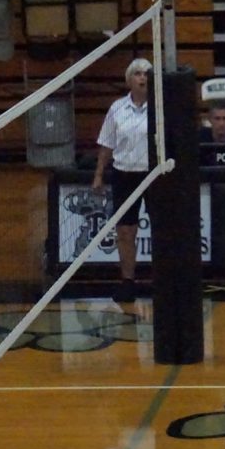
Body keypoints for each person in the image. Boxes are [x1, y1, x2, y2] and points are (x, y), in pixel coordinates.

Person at [93, 58, 152, 303]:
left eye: (146, 73)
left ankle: (165, 281)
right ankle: (128, 282)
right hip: (124, 174)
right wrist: (98, 175)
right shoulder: (117, 108)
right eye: (137, 73)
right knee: (126, 231)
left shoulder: (160, 109)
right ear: (129, 80)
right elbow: (107, 144)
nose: (142, 77)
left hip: (152, 175)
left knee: (163, 229)